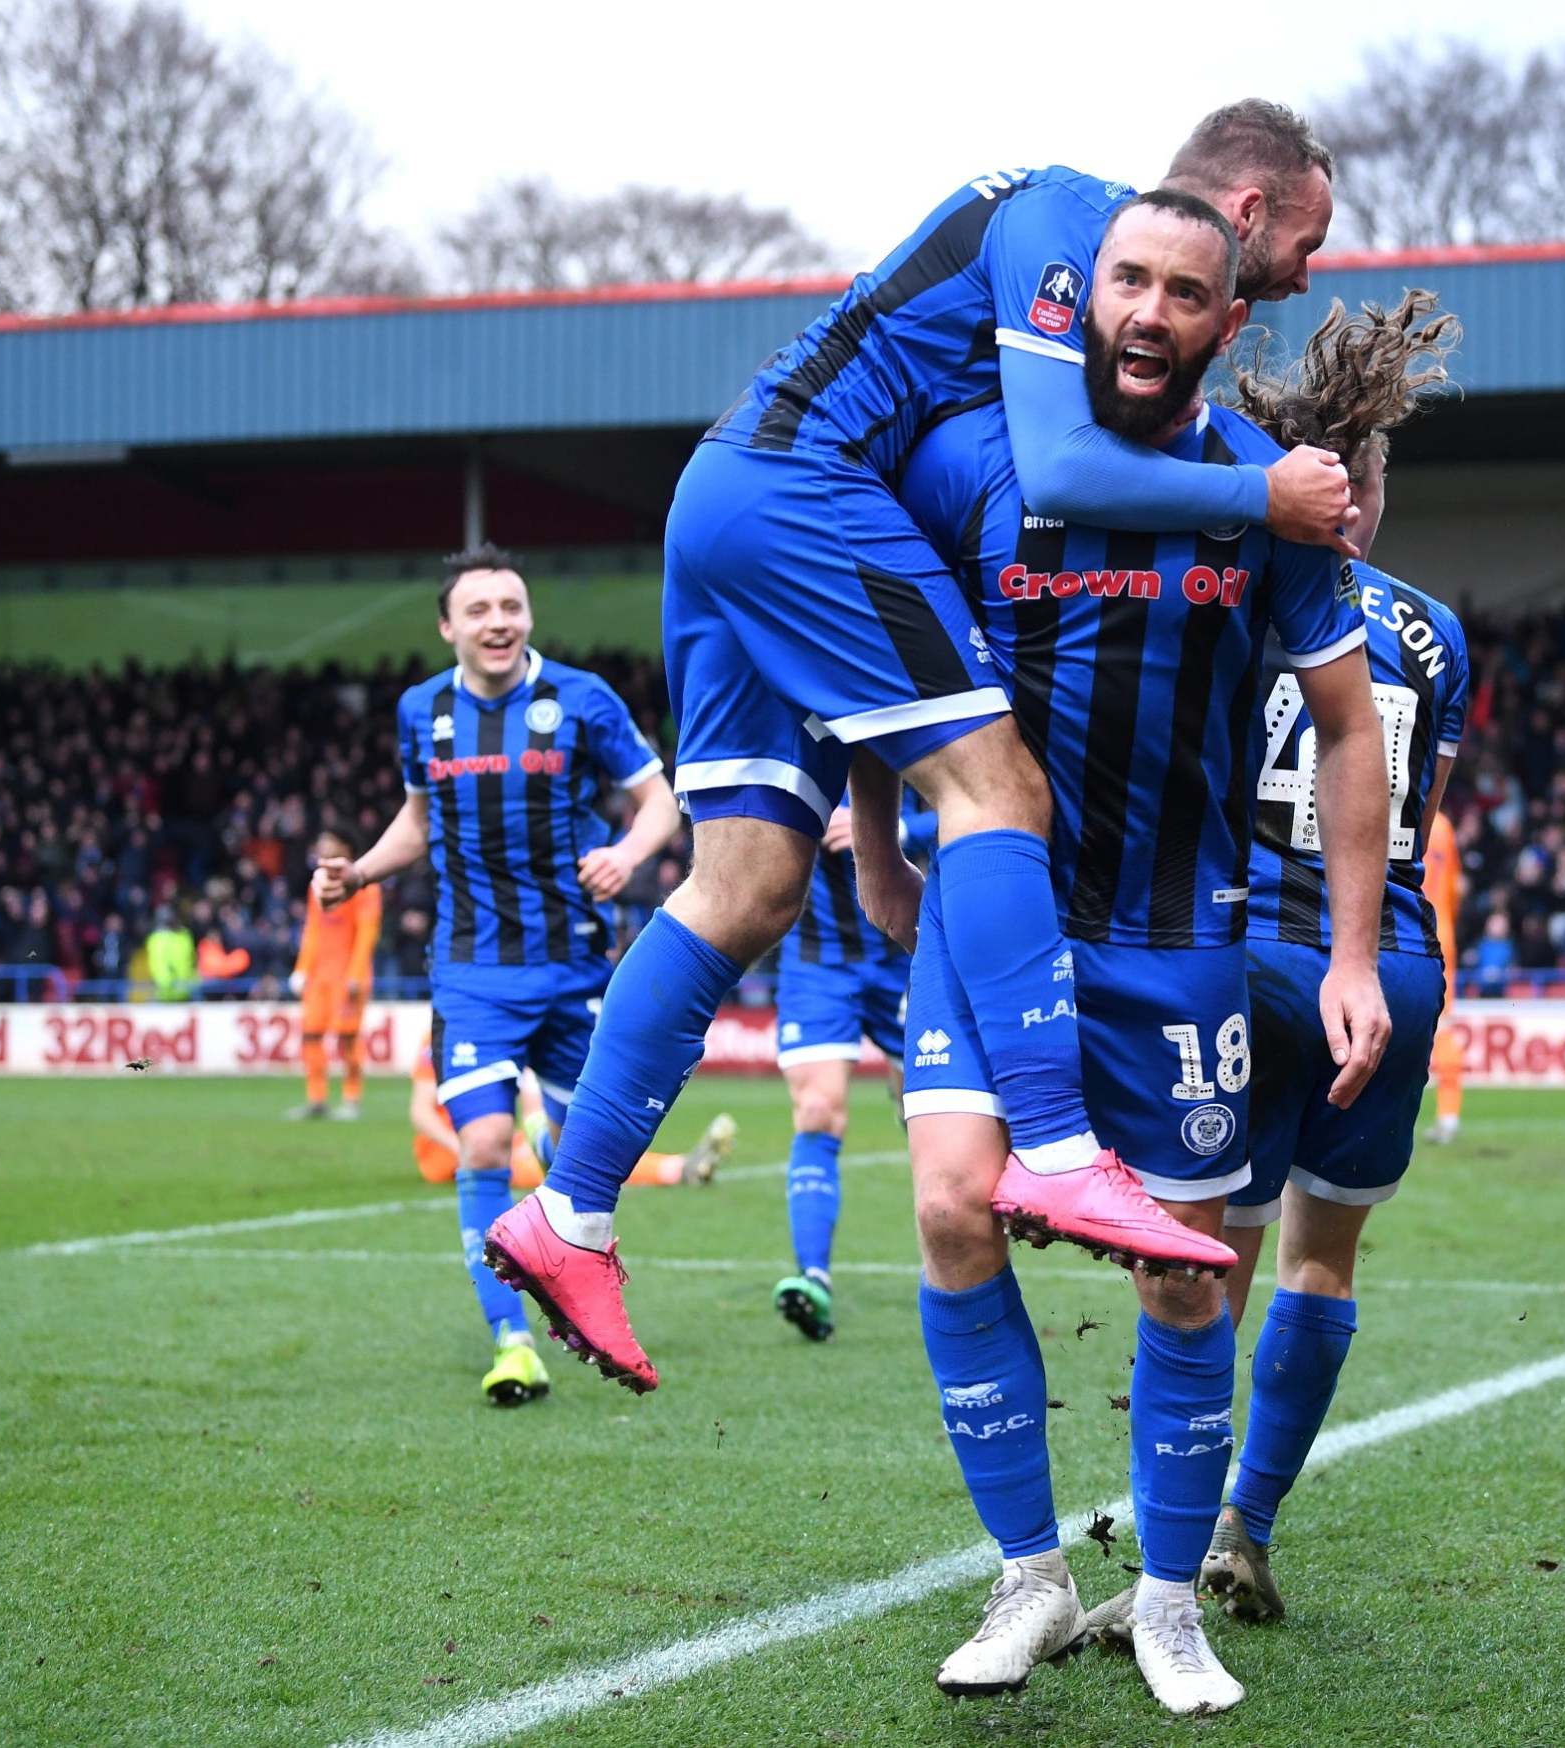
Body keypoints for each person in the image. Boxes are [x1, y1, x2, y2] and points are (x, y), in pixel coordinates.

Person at [495, 101, 1371, 1396]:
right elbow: (1065, 468)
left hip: (739, 494)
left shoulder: (1071, 245)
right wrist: (1262, 494)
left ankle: (567, 1214)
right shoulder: (1077, 222)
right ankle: (1066, 1155)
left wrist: (876, 830)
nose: (1305, 272)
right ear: (1247, 213)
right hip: (804, 490)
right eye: (1302, 240)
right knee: (996, 782)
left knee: (742, 888)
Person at [882, 192, 1390, 1716]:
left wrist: (1352, 954)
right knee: (954, 1210)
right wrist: (864, 841)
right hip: (995, 920)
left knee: (1182, 1280)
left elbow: (1352, 726)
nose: (1149, 313)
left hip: (1180, 946)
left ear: (1229, 326)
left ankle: (1165, 1600)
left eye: (1184, 291)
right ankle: (1027, 1576)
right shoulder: (966, 459)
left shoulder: (1270, 492)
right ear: (1078, 295)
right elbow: (868, 660)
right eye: (1126, 281)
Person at [1083, 287, 1464, 1643]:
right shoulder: (1432, 631)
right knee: (1322, 1262)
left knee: (1201, 1260)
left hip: (1233, 956)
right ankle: (1248, 1520)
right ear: (1366, 483)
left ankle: (1160, 1528)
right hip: (1386, 967)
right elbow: (1414, 814)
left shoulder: (1228, 586)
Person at [314, 546, 681, 1402]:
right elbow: (417, 819)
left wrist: (628, 855)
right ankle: (511, 1341)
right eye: (477, 610)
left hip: (575, 967)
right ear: (448, 627)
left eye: (510, 605)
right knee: (482, 1141)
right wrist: (360, 872)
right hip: (473, 970)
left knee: (586, 1157)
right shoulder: (421, 712)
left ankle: (566, 1239)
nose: (498, 621)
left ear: (527, 616)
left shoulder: (581, 700)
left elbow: (660, 800)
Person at [404, 1030, 728, 1404]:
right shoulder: (434, 1038)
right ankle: (513, 1340)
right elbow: (420, 1110)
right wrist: (458, 1145)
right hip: (447, 1153)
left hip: (559, 994)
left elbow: (528, 1097)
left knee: (573, 1147)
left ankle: (557, 1150)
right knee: (487, 1147)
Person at [767, 792, 934, 1340]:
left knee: (933, 1118)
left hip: (905, 950)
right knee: (816, 1110)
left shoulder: (904, 717)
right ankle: (812, 1274)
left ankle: (950, 1274)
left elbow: (986, 799)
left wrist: (894, 831)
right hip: (818, 961)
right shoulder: (791, 725)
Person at [287, 826, 381, 1121]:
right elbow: (312, 930)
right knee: (311, 1035)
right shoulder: (317, 884)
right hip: (319, 976)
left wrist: (355, 973)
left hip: (348, 975)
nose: (321, 846)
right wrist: (301, 969)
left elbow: (367, 932)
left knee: (348, 1039)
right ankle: (317, 1100)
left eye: (327, 841)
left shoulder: (366, 885)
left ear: (345, 846)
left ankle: (351, 1100)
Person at [1423, 810, 1465, 1144]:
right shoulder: (1444, 827)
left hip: (1403, 927)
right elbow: (1453, 890)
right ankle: (1448, 1114)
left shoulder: (1393, 809)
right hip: (1441, 932)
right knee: (1443, 1025)